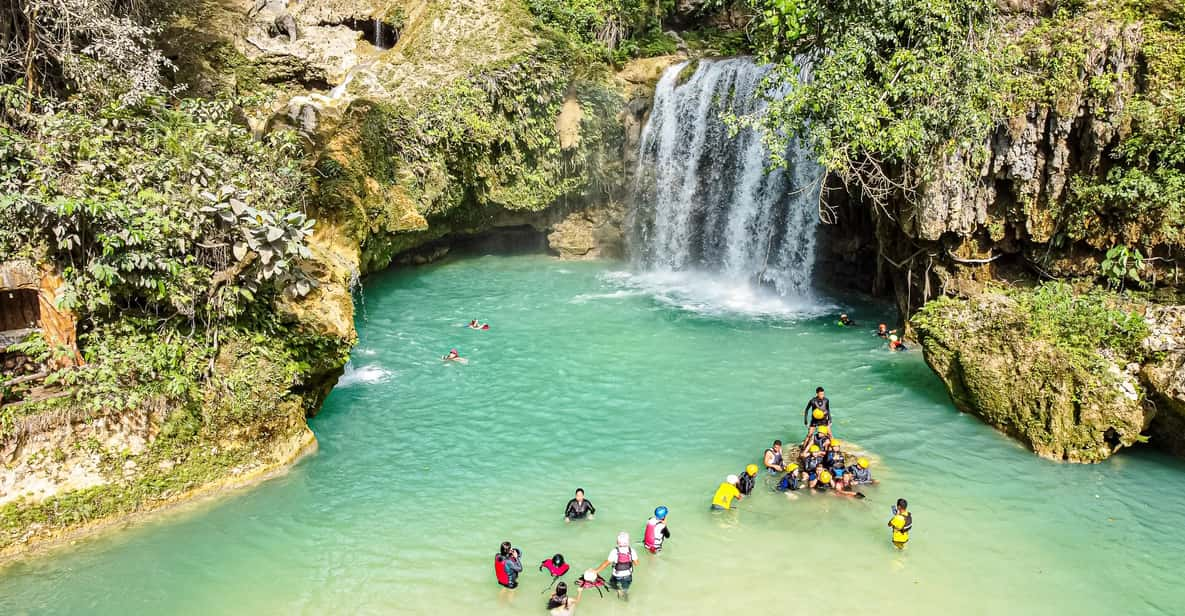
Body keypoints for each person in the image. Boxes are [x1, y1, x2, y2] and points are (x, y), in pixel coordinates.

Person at [593, 532, 638, 600]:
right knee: (625, 589)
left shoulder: (615, 551)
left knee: (611, 583)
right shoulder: (632, 551)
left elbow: (606, 563)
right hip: (628, 575)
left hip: (617, 575)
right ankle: (625, 599)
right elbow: (636, 563)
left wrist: (596, 571)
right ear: (628, 542)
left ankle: (618, 590)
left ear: (617, 542)